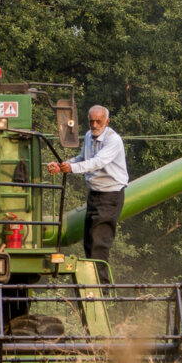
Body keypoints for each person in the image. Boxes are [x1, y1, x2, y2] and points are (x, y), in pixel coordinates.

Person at [46, 104, 128, 284]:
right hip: (95, 194)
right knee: (89, 241)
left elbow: (97, 162)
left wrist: (72, 168)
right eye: (91, 121)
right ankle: (91, 284)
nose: (95, 124)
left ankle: (102, 290)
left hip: (110, 196)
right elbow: (83, 158)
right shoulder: (90, 136)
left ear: (107, 121)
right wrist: (62, 166)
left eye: (99, 121)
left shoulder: (113, 140)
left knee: (99, 243)